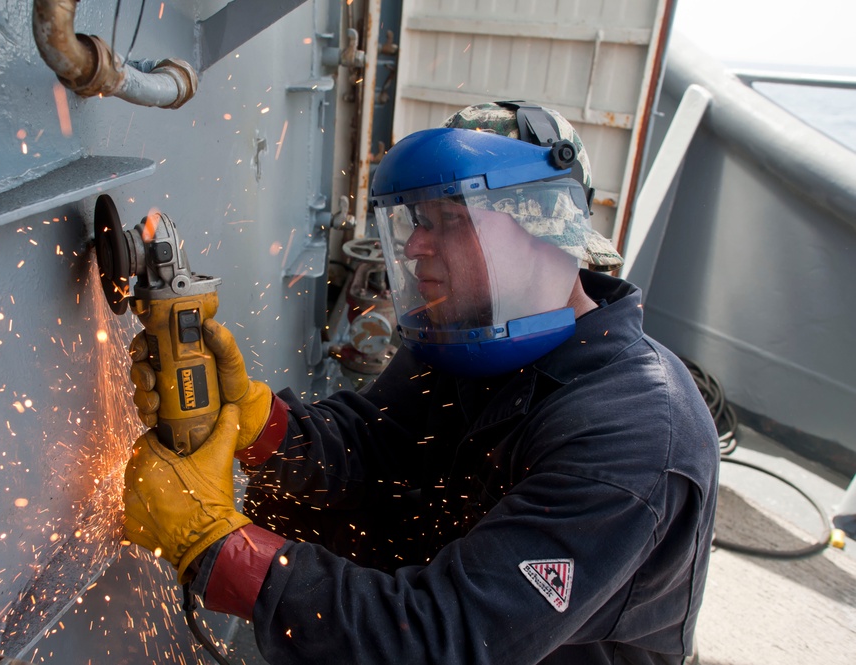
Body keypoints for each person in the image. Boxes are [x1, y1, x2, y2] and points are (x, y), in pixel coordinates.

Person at [123, 101, 720, 664]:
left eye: (450, 221)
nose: (413, 246)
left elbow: (448, 642)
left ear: (543, 232)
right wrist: (256, 422)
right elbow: (375, 444)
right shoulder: (471, 337)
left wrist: (221, 550)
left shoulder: (631, 440)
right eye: (417, 221)